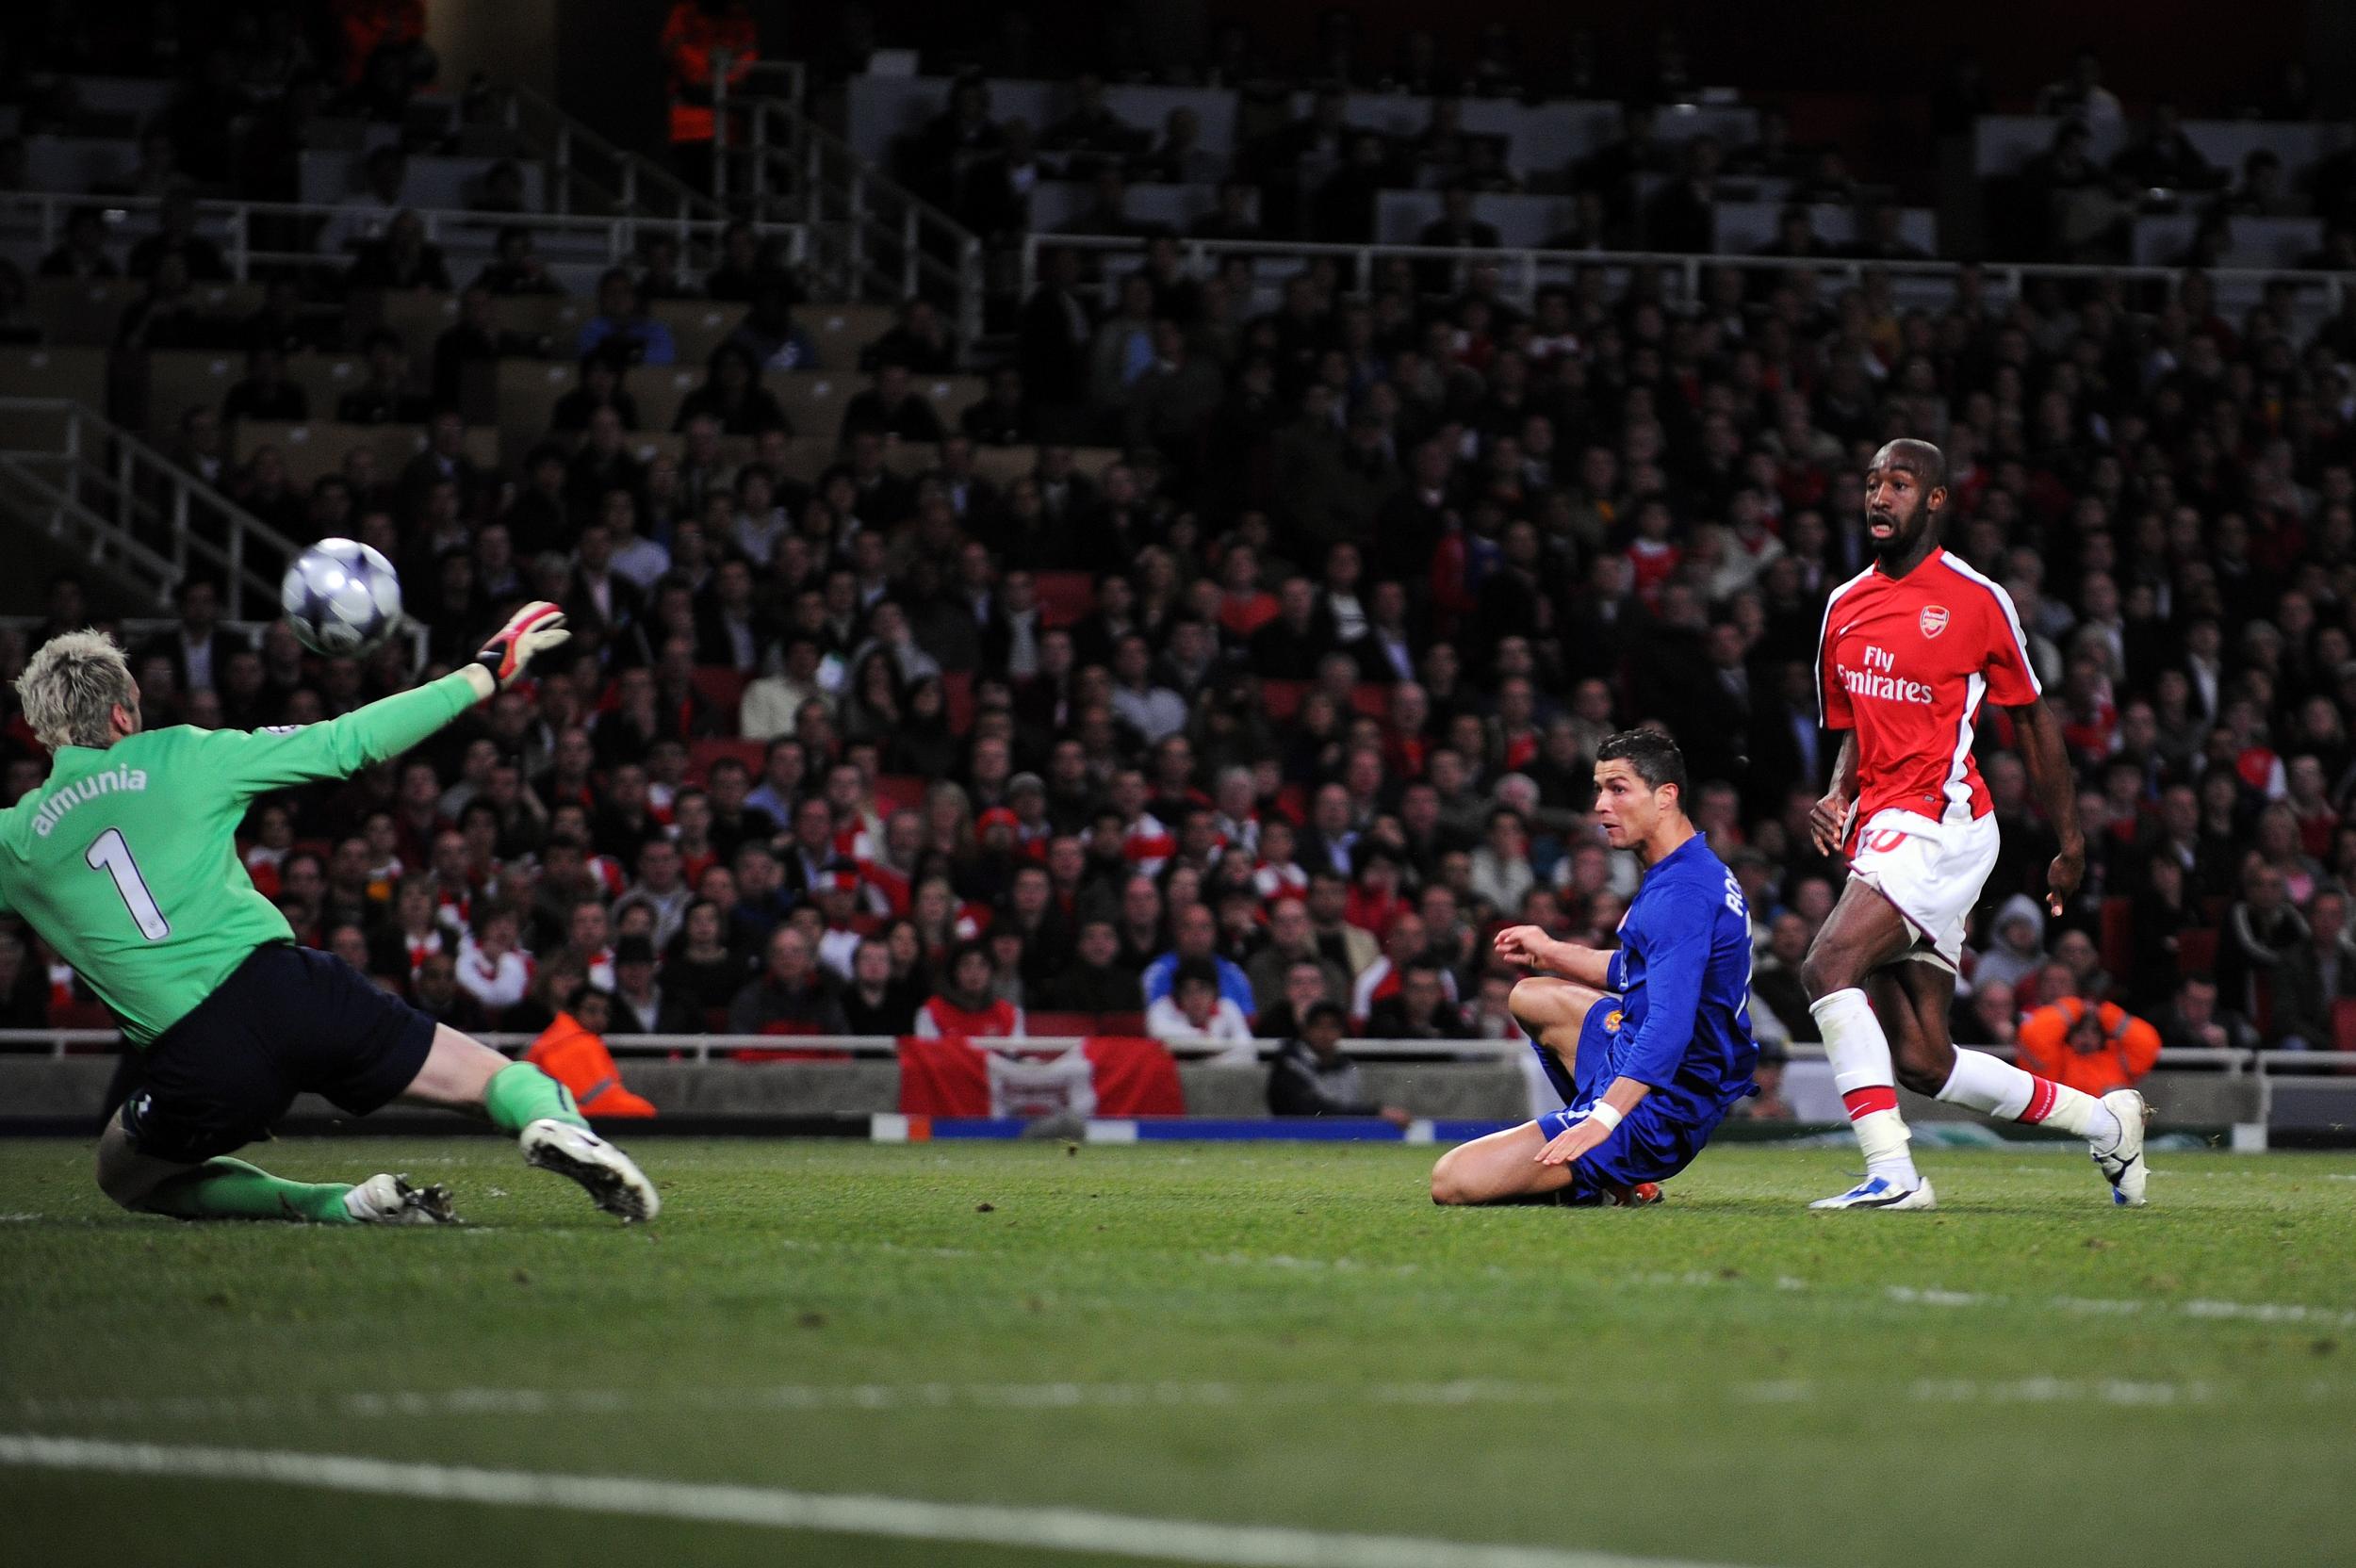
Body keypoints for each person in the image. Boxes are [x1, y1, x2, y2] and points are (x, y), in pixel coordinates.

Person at [0, 609, 658, 1225]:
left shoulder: (17, 841)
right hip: (292, 990)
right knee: (489, 1079)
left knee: (124, 1175)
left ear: (42, 728)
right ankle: (554, 1125)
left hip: (199, 1059)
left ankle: (338, 1206)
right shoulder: (184, 754)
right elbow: (350, 742)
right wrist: (483, 670)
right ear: (121, 714)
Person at [1801, 439, 2147, 1211]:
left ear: (1934, 500)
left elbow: (2032, 720)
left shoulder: (1975, 598)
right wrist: (1837, 794)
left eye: (1898, 483)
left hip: (1943, 821)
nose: (1878, 497)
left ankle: (1892, 1174)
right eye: (1870, 483)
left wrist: (2070, 840)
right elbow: (1857, 724)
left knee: (1826, 967)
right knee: (1924, 1060)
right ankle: (2106, 1122)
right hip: (1887, 824)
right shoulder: (1843, 606)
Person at [1431, 730, 1759, 1208]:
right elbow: (1637, 971)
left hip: (1666, 1102)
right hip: (1659, 1063)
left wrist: (1602, 1119)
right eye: (1599, 789)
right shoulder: (1690, 867)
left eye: (1618, 789)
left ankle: (1611, 1167)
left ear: (1666, 796)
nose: (1601, 805)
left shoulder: (1680, 894)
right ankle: (1606, 1163)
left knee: (1453, 1180)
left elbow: (1669, 1027)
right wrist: (1550, 951)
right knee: (1531, 995)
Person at [1268, 1002, 1409, 1124]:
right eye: (1318, 1026)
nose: (1325, 1033)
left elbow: (1350, 1106)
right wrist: (1374, 1113)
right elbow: (1310, 1110)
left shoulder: (1347, 1067)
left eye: (1332, 1026)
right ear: (1306, 1030)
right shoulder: (1289, 1064)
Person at [2014, 991, 2161, 1100]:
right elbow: (2032, 1033)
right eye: (2080, 1030)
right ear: (2069, 1034)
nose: (2087, 1036)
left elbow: (2148, 1044)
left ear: (2103, 1035)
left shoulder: (2117, 1060)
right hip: (2061, 1131)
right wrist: (2076, 1008)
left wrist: (2106, 1014)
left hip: (2107, 1133)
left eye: (2094, 1031)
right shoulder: (2055, 1059)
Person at [1144, 956, 1254, 1064]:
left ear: (1214, 992)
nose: (1196, 998)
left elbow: (1248, 1052)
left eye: (1202, 990)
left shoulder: (1228, 1008)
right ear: (1178, 995)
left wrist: (1208, 1063)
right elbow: (1158, 1032)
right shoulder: (1162, 1008)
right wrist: (1208, 1042)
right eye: (1188, 991)